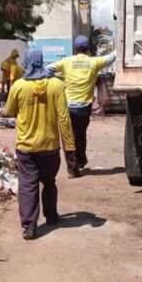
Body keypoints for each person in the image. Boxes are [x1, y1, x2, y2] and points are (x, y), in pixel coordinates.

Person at [5, 49, 77, 240]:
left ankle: (29, 226)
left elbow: (9, 111)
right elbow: (64, 118)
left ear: (27, 63)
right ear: (42, 61)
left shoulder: (18, 86)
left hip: (26, 147)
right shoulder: (56, 85)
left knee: (28, 185)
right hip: (50, 147)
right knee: (49, 182)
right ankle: (52, 216)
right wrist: (70, 147)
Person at [47, 36, 116, 177]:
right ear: (88, 48)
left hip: (66, 107)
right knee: (80, 136)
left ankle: (72, 169)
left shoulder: (66, 62)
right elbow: (112, 57)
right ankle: (81, 160)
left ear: (75, 48)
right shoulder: (94, 62)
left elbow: (47, 69)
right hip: (84, 109)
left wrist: (60, 79)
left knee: (68, 137)